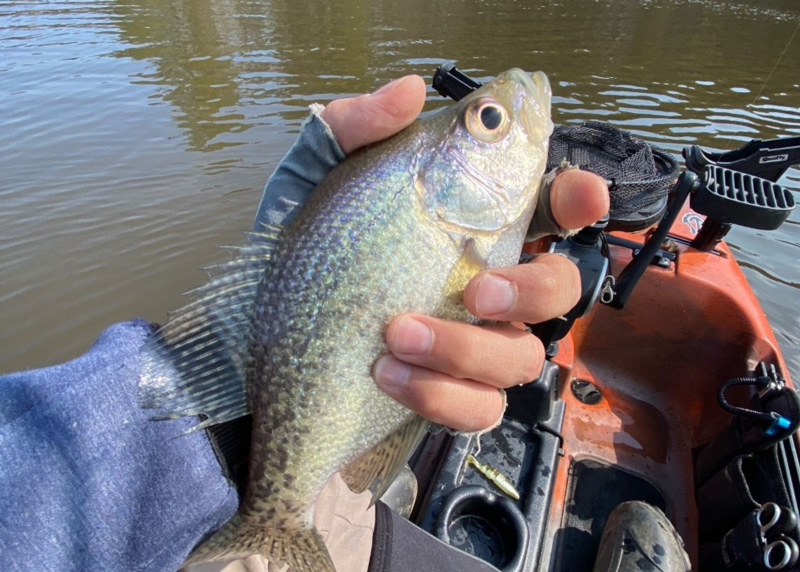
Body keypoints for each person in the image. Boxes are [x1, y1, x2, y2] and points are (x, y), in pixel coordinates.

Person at [0, 75, 608, 572]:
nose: (510, 109)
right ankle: (286, 519)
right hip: (247, 496)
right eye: (490, 121)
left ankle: (322, 504)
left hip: (251, 492)